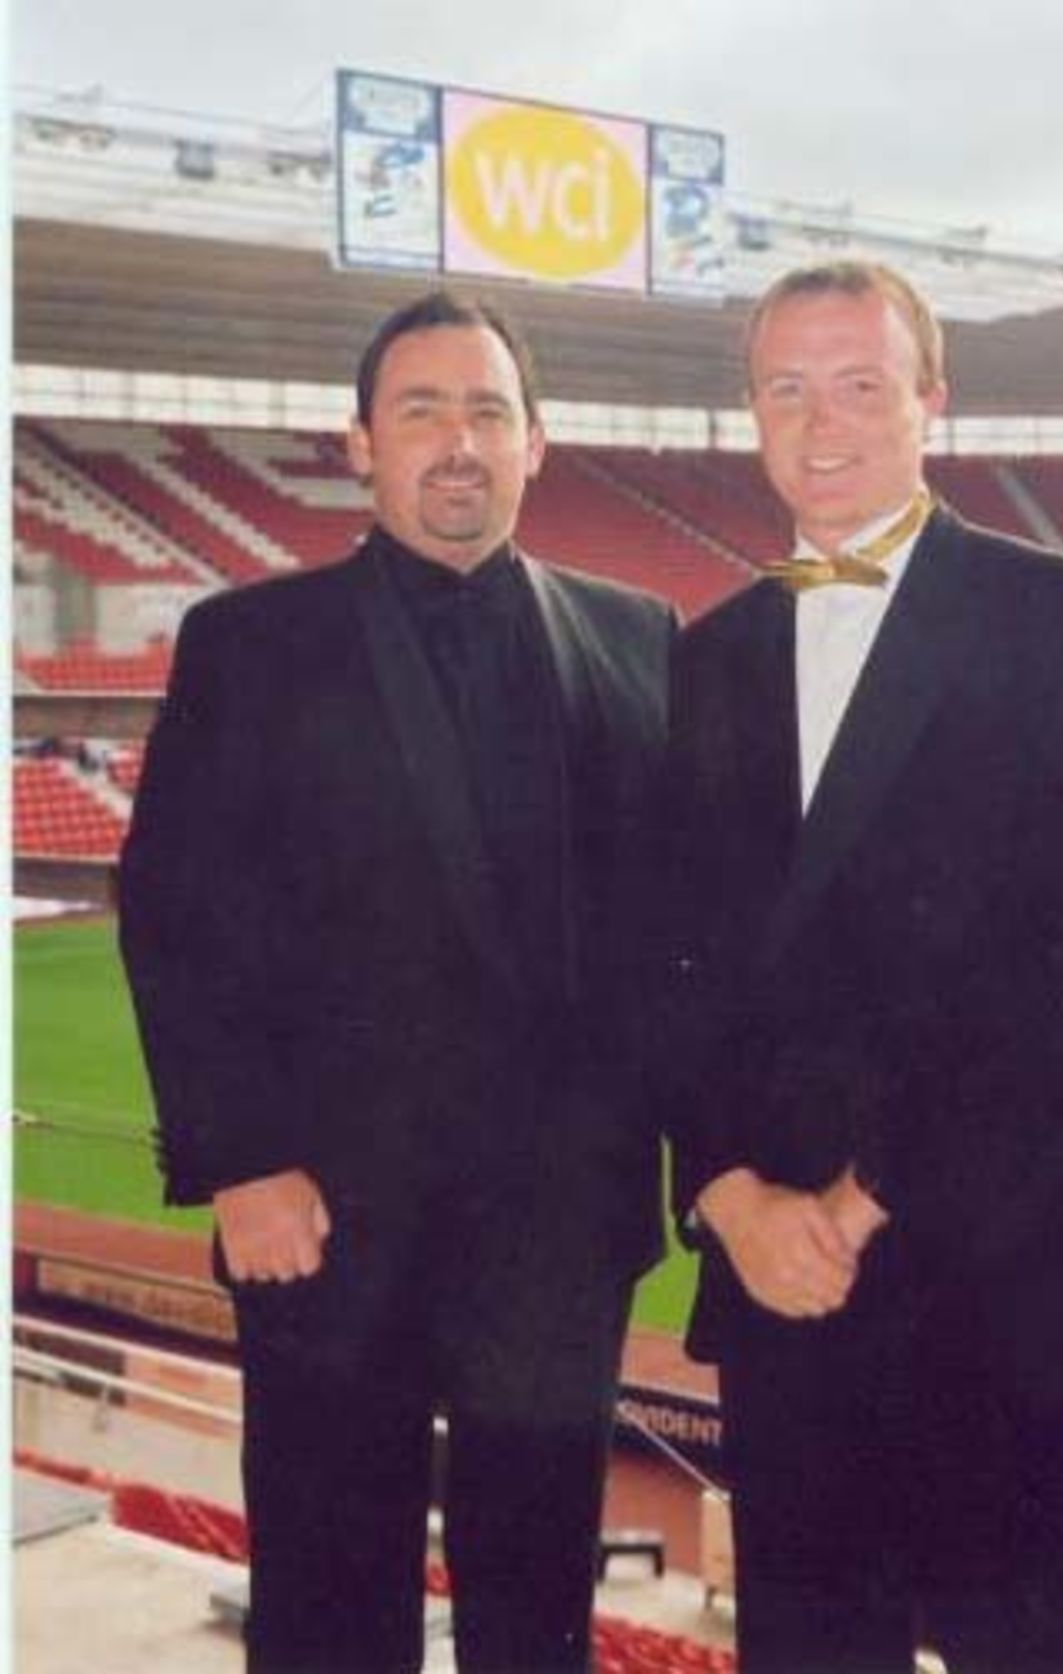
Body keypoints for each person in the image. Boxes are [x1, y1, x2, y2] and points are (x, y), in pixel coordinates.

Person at [119, 289, 674, 1674]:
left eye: (488, 409)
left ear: (538, 442)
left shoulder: (641, 636)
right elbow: (176, 912)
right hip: (322, 1216)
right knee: (325, 1602)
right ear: (359, 443)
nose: (458, 441)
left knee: (538, 1605)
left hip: (558, 1234)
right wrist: (240, 1160)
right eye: (421, 410)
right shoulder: (248, 641)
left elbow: (683, 935)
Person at [663, 261, 1063, 1672]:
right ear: (750, 413)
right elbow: (673, 972)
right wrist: (728, 1194)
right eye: (786, 386)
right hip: (781, 1296)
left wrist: (857, 1200)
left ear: (931, 402)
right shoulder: (706, 660)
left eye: (862, 382)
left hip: (994, 1283)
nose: (822, 421)